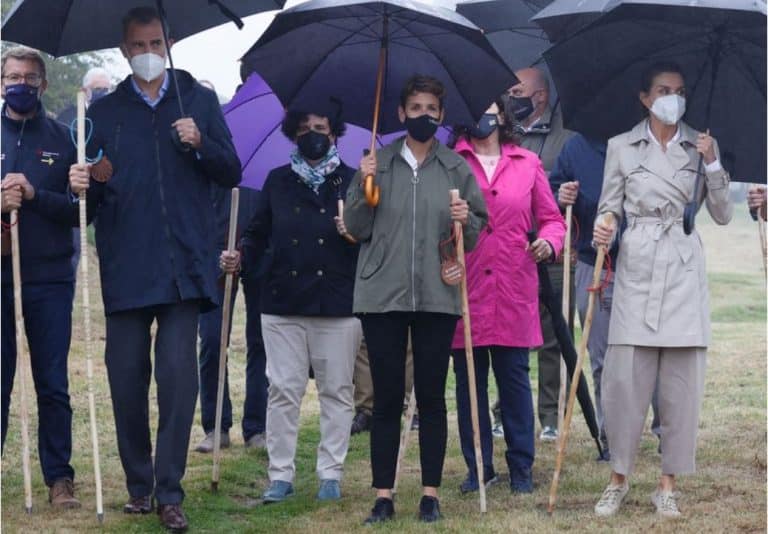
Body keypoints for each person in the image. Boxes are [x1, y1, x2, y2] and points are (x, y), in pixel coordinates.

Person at [68, 7, 241, 531]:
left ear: (170, 43)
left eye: (156, 44)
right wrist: (83, 183)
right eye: (138, 45)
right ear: (124, 50)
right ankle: (138, 485)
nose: (148, 53)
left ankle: (170, 491)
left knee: (176, 378)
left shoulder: (199, 100)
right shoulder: (105, 110)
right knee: (125, 380)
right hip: (126, 266)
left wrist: (201, 142)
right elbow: (91, 202)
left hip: (185, 268)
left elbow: (231, 171)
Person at [343, 75, 488, 524]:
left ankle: (430, 495)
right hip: (381, 294)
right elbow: (355, 227)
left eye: (431, 108)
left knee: (431, 397)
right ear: (401, 113)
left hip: (436, 294)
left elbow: (478, 226)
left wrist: (467, 218)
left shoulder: (456, 167)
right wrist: (365, 188)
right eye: (415, 107)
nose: (424, 114)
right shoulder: (377, 163)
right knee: (387, 398)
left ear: (441, 116)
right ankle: (383, 495)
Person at [592, 61, 732, 518]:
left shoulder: (700, 145)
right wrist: (603, 227)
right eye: (664, 90)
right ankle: (618, 477)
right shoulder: (621, 147)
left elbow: (723, 213)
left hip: (683, 265)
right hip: (637, 265)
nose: (673, 97)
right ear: (645, 98)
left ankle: (667, 483)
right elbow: (610, 207)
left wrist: (711, 163)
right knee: (625, 379)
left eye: (680, 90)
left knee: (680, 383)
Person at [221, 99, 362, 504]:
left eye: (320, 126)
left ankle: (330, 473)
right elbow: (256, 233)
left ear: (334, 132)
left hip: (337, 301)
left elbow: (371, 239)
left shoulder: (355, 183)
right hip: (282, 301)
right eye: (304, 129)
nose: (312, 135)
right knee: (283, 389)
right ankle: (280, 475)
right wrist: (241, 256)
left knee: (337, 390)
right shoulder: (277, 180)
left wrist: (353, 228)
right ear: (293, 135)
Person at [449, 98, 565, 494]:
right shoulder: (451, 161)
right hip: (466, 287)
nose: (485, 115)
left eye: (492, 108)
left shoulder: (527, 163)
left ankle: (521, 468)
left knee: (514, 380)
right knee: (469, 382)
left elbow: (551, 219)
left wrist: (549, 243)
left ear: (503, 116)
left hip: (514, 286)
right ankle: (478, 467)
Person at [0, 46, 83, 510]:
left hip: (50, 277)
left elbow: (78, 214)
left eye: (30, 78)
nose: (22, 84)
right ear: (0, 82)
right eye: (13, 76)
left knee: (52, 381)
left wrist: (33, 196)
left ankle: (59, 478)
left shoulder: (63, 139)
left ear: (44, 85)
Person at [506, 67, 575, 443]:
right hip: (512, 250)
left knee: (553, 336)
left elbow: (572, 184)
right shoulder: (504, 134)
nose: (512, 96)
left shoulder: (565, 137)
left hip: (551, 249)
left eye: (519, 90)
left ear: (541, 96)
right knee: (511, 334)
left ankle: (550, 414)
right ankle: (505, 411)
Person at [551, 133, 616, 460]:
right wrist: (562, 195)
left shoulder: (645, 141)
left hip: (643, 265)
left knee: (649, 354)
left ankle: (663, 429)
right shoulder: (576, 146)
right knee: (602, 357)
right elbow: (550, 192)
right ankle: (609, 435)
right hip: (594, 264)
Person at [194, 186, 268, 453]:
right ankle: (216, 426)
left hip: (261, 247)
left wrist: (247, 252)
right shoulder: (213, 148)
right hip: (216, 248)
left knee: (261, 340)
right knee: (212, 339)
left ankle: (257, 427)